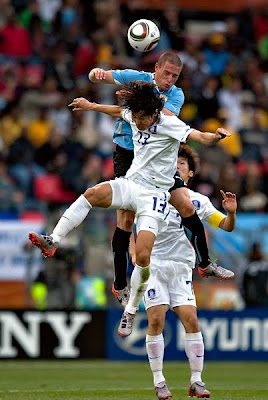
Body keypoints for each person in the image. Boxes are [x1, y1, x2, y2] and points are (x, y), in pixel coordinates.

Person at [28, 81, 232, 338]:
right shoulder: (136, 115)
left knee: (143, 258)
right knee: (92, 194)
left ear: (153, 113)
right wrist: (90, 106)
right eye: (134, 116)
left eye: (140, 118)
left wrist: (215, 137)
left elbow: (199, 137)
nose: (136, 122)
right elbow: (116, 111)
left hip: (155, 196)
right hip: (132, 185)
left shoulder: (170, 123)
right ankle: (53, 240)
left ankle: (131, 310)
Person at [88, 52, 231, 308]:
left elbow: (158, 117)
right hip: (127, 153)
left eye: (175, 76)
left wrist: (133, 100)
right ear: (156, 68)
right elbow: (103, 77)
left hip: (157, 160)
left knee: (187, 206)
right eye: (166, 73)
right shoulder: (136, 79)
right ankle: (120, 283)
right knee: (125, 220)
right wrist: (97, 74)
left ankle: (205, 263)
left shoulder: (176, 95)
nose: (169, 80)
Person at [143, 144, 237, 399]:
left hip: (182, 268)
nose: (175, 165)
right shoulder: (150, 194)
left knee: (192, 321)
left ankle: (196, 381)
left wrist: (231, 213)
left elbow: (226, 226)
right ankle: (159, 380)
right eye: (172, 161)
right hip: (154, 266)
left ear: (191, 173)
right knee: (156, 320)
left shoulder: (198, 201)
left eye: (182, 163)